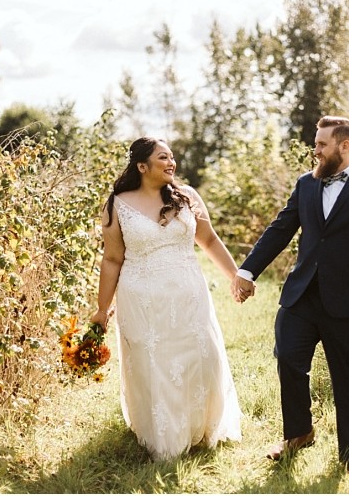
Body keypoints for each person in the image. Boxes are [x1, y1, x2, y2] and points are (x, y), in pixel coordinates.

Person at [232, 116, 349, 472]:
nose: (316, 150)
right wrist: (247, 270)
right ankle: (298, 433)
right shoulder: (306, 184)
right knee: (289, 361)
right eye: (316, 143)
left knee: (346, 379)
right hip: (301, 297)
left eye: (322, 144)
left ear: (344, 146)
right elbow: (280, 229)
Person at [90, 137, 242, 460]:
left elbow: (210, 241)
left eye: (172, 157)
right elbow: (112, 259)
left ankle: (201, 429)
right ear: (142, 166)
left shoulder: (187, 198)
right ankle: (165, 437)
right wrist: (102, 309)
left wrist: (236, 276)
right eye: (163, 158)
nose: (171, 163)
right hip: (142, 300)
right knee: (154, 366)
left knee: (202, 357)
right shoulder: (117, 204)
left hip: (189, 295)